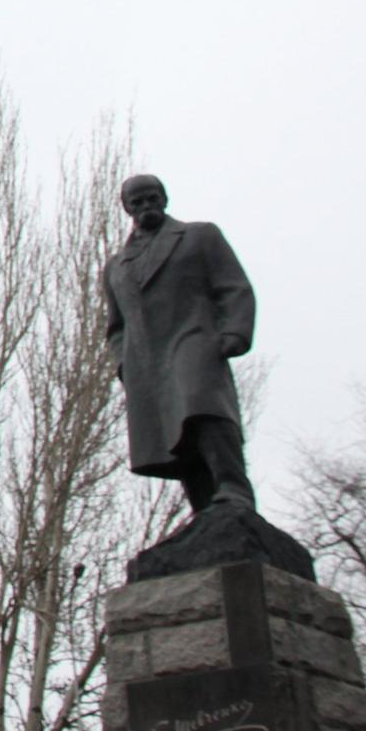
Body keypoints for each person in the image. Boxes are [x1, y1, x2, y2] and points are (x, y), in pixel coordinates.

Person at [103, 174, 257, 514]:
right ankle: (206, 508)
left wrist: (235, 331)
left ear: (164, 198)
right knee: (172, 433)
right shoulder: (116, 267)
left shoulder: (199, 236)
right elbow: (116, 326)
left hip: (195, 338)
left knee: (202, 409)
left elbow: (234, 286)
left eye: (152, 198)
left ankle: (234, 486)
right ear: (127, 208)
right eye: (137, 202)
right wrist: (123, 363)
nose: (146, 206)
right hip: (146, 360)